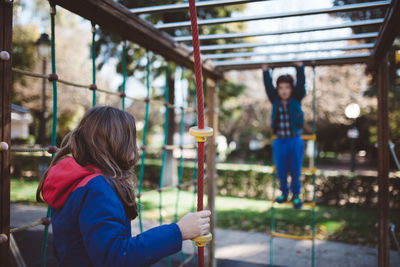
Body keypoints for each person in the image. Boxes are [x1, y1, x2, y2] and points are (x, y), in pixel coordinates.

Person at [36, 106, 211, 267]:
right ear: (117, 143)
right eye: (131, 139)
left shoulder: (79, 182)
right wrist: (178, 231)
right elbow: (115, 257)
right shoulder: (97, 189)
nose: (136, 146)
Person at [262, 63, 306, 209]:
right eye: (281, 88)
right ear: (278, 90)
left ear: (292, 89)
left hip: (295, 140)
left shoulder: (296, 98)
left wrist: (300, 68)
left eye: (287, 87)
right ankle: (284, 193)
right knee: (281, 169)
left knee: (295, 169)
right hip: (279, 141)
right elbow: (268, 86)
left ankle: (296, 195)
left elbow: (301, 83)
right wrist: (265, 71)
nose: (284, 91)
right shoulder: (275, 100)